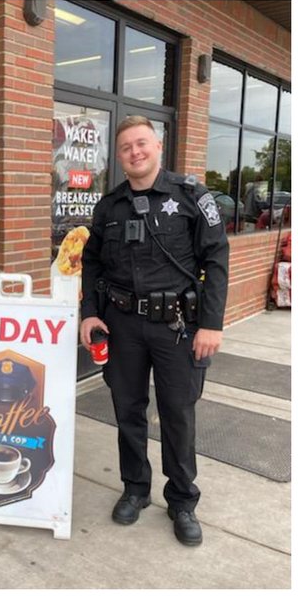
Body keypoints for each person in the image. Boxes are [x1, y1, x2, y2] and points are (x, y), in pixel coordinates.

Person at [79, 116, 229, 547]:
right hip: (122, 324)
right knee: (127, 410)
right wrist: (90, 312)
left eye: (141, 143)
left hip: (177, 327)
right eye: (125, 147)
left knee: (178, 415)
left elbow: (217, 258)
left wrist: (212, 324)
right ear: (120, 156)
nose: (135, 152)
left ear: (158, 146)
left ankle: (182, 501)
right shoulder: (109, 206)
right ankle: (135, 489)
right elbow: (92, 264)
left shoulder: (191, 197)